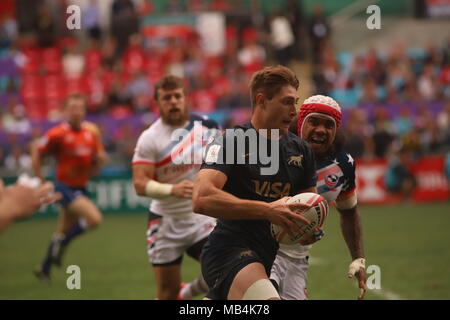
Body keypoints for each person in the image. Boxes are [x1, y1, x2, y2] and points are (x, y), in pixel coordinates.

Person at [192, 65, 320, 300]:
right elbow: (202, 198)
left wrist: (308, 228)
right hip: (228, 251)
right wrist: (267, 210)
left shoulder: (301, 150)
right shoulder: (230, 142)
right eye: (287, 102)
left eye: (296, 102)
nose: (295, 110)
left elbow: (308, 205)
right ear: (262, 101)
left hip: (270, 257)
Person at [270, 95, 367, 300]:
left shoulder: (343, 164)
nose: (321, 130)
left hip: (297, 257)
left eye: (328, 125)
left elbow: (349, 213)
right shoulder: (273, 148)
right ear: (301, 123)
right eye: (314, 122)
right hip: (259, 248)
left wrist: (359, 258)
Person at [131, 75, 219, 300]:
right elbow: (140, 184)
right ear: (158, 103)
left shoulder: (208, 126)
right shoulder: (149, 138)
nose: (173, 101)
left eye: (177, 96)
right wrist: (172, 190)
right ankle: (179, 294)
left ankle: (187, 292)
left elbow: (223, 165)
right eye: (166, 98)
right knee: (167, 294)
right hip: (166, 222)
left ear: (185, 98)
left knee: (225, 270)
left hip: (202, 217)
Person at [32, 93, 108, 282]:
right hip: (64, 187)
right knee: (94, 219)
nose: (76, 112)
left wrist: (99, 162)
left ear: (84, 111)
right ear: (65, 111)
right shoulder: (57, 134)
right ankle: (62, 244)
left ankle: (44, 268)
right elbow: (37, 152)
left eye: (80, 108)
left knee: (62, 231)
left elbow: (99, 157)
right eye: (72, 108)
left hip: (81, 186)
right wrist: (41, 181)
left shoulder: (91, 132)